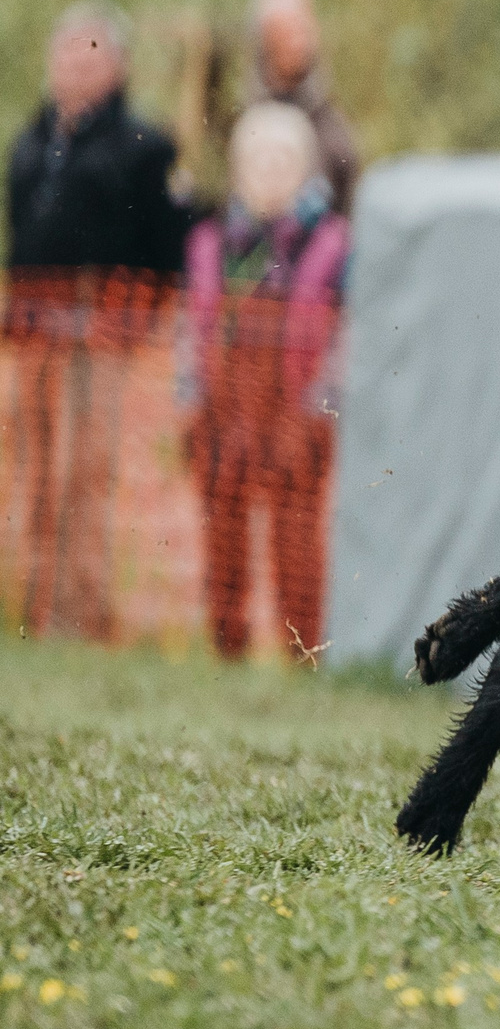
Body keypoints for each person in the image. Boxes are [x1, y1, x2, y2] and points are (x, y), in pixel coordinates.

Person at [6, 0, 188, 639]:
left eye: (88, 54)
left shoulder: (142, 146)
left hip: (105, 335)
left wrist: (138, 320)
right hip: (31, 331)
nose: (72, 68)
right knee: (32, 471)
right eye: (64, 52)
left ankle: (80, 617)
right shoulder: (31, 143)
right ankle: (31, 610)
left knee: (87, 475)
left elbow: (169, 249)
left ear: (117, 65)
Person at [182, 102, 351, 662]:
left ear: (306, 168)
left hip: (296, 406)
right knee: (223, 532)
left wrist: (322, 405)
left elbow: (348, 333)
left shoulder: (332, 242)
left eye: (283, 159)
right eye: (257, 158)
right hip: (225, 405)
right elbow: (193, 327)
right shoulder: (211, 242)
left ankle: (302, 654)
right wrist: (191, 400)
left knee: (296, 539)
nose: (269, 170)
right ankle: (226, 650)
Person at [246, 0, 362, 214]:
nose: (301, 43)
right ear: (266, 39)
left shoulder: (327, 116)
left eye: (305, 29)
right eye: (290, 31)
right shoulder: (250, 119)